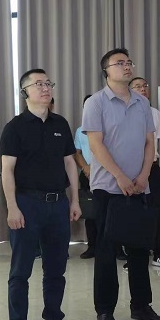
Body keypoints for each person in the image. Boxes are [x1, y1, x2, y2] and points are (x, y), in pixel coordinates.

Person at [82, 48, 160, 320]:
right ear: (106, 71)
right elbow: (95, 145)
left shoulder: (142, 103)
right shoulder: (95, 103)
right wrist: (119, 176)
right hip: (108, 187)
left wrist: (143, 176)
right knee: (106, 250)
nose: (126, 66)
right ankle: (105, 310)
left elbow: (149, 143)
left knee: (139, 248)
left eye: (128, 62)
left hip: (139, 186)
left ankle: (141, 306)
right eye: (119, 63)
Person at [1, 69, 82, 320]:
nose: (45, 88)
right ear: (24, 92)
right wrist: (12, 207)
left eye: (48, 83)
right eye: (38, 84)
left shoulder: (61, 123)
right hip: (27, 204)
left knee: (56, 269)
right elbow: (7, 170)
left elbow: (70, 163)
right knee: (20, 271)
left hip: (57, 203)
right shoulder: (14, 127)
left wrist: (74, 200)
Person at [129, 77, 160, 270]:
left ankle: (159, 254)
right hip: (131, 167)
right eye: (137, 86)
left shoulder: (154, 113)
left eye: (145, 86)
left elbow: (156, 142)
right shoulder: (124, 112)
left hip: (152, 166)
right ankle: (134, 256)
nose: (143, 89)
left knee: (158, 211)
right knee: (133, 212)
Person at [74, 95, 98, 259]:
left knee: (111, 211)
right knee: (91, 212)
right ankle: (92, 246)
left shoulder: (107, 125)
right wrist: (85, 167)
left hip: (107, 174)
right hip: (87, 174)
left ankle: (116, 248)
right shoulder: (80, 130)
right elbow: (77, 152)